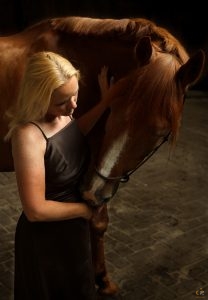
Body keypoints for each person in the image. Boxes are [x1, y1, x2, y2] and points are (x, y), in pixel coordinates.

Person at [5, 51, 112, 300]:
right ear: (39, 98)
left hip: (74, 230)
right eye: (63, 101)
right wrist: (84, 212)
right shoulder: (27, 136)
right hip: (46, 240)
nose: (73, 105)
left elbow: (72, 133)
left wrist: (105, 103)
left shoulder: (64, 113)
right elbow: (35, 210)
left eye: (74, 94)